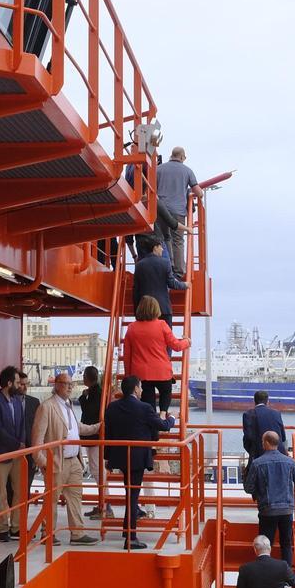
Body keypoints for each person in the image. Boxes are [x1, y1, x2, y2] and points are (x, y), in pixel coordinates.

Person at [31, 372, 101, 545]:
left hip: (74, 460)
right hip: (56, 461)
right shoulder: (47, 407)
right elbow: (37, 441)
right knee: (52, 499)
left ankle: (77, 533)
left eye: (71, 384)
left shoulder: (68, 405)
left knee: (76, 497)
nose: (70, 387)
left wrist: (98, 427)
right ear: (56, 385)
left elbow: (76, 429)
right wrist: (44, 463)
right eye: (65, 383)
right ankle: (47, 534)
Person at [105, 375, 175, 547]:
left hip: (120, 457)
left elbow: (109, 434)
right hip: (137, 458)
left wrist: (108, 457)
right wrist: (172, 419)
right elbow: (163, 426)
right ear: (136, 389)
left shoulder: (112, 408)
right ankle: (131, 537)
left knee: (130, 493)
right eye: (141, 387)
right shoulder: (145, 408)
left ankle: (126, 530)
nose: (142, 390)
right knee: (133, 495)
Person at [243, 432, 295, 565]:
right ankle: (287, 576)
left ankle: (266, 577)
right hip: (287, 510)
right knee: (286, 544)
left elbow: (249, 488)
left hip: (267, 510)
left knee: (265, 545)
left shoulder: (257, 463)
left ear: (265, 443)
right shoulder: (290, 462)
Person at [123, 295, 190, 416]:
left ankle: (153, 426)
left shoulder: (131, 328)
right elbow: (176, 346)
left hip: (141, 374)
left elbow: (127, 354)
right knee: (166, 391)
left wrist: (128, 375)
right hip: (162, 371)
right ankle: (163, 413)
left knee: (148, 406)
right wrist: (187, 342)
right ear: (156, 309)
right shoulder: (162, 325)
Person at [0, 366, 28, 543]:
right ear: (9, 383)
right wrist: (16, 444)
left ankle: (16, 527)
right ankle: (2, 529)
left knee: (20, 491)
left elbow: (22, 425)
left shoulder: (18, 401)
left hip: (18, 454)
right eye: (18, 382)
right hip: (1, 454)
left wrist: (21, 444)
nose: (20, 385)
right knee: (0, 494)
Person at [154, 146, 205, 278]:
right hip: (178, 211)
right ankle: (178, 272)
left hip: (160, 209)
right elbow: (198, 191)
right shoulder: (187, 171)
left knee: (162, 238)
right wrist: (200, 196)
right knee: (178, 240)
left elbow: (151, 189)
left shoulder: (158, 169)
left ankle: (164, 267)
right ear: (182, 157)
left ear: (172, 155)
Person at [78, 366, 113, 520]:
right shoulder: (98, 392)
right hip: (94, 435)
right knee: (97, 470)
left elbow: (89, 412)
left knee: (97, 470)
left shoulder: (95, 393)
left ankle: (105, 505)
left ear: (87, 377)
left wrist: (82, 398)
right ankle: (103, 504)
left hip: (94, 435)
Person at [132, 234, 186, 326]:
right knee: (165, 338)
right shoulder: (165, 263)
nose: (162, 249)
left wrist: (137, 310)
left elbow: (136, 291)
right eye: (160, 246)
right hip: (163, 309)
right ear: (155, 248)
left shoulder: (139, 265)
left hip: (145, 310)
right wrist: (185, 285)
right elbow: (172, 284)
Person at [242, 391, 287, 462]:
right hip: (280, 456)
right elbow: (283, 438)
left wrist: (252, 453)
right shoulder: (276, 413)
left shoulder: (248, 414)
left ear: (254, 401)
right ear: (267, 401)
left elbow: (248, 438)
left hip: (258, 456)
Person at [16, 371, 42, 492]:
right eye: (22, 384)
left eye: (27, 384)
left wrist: (37, 454)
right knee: (11, 491)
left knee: (26, 489)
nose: (25, 387)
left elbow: (39, 429)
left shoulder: (34, 402)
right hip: (12, 452)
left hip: (30, 453)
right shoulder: (8, 402)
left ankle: (24, 512)